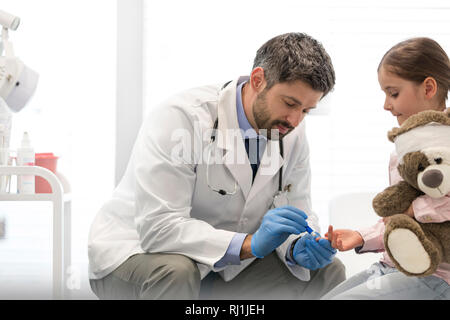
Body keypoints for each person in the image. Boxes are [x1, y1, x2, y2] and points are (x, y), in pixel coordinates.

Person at [88, 32, 345, 300]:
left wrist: (297, 247)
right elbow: (158, 229)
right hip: (137, 252)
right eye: (289, 103)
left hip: (226, 267)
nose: (295, 120)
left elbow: (297, 207)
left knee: (327, 272)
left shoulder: (290, 132)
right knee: (177, 271)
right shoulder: (182, 118)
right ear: (258, 80)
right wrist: (249, 244)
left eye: (306, 111)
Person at [322, 37, 450, 300]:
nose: (386, 105)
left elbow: (412, 213)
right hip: (391, 267)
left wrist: (417, 209)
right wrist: (361, 237)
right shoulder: (400, 154)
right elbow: (398, 223)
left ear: (428, 88)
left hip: (437, 278)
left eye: (393, 93)